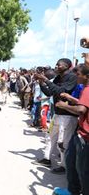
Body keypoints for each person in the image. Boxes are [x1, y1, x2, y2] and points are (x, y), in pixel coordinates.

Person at [33, 58, 78, 174]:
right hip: (57, 113)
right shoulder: (58, 78)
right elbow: (50, 93)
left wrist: (45, 79)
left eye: (59, 65)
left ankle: (63, 166)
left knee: (63, 142)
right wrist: (41, 82)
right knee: (49, 137)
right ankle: (46, 159)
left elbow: (61, 91)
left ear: (67, 66)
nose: (56, 66)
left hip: (68, 116)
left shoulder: (72, 77)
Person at [55, 63, 89, 195]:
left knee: (82, 170)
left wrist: (64, 106)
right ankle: (73, 190)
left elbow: (81, 109)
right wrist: (71, 98)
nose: (76, 76)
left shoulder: (87, 89)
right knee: (71, 162)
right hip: (80, 133)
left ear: (87, 76)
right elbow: (83, 104)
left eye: (78, 74)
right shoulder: (85, 88)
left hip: (85, 136)